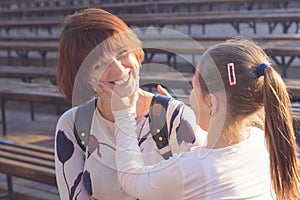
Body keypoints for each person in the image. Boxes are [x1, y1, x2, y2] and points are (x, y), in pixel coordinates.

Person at [99, 38, 300, 199]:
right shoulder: (261, 139)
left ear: (212, 103)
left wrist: (123, 113)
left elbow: (130, 178)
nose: (191, 96)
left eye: (194, 88)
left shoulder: (190, 168)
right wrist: (183, 114)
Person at [54, 8, 206, 200]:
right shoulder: (72, 124)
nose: (118, 71)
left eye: (122, 53)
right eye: (100, 65)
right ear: (84, 78)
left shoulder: (175, 117)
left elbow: (203, 189)